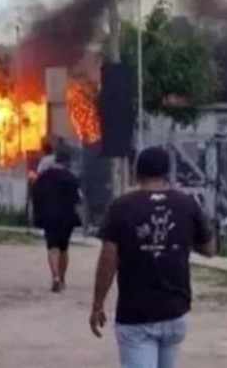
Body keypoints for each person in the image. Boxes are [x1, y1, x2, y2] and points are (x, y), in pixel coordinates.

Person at [90, 146, 215, 368]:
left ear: (137, 172)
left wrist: (98, 304)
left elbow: (108, 259)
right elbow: (209, 249)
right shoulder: (187, 204)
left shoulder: (122, 207)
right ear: (167, 172)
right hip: (175, 310)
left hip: (136, 314)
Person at [32, 149, 81, 292]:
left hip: (49, 217)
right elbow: (77, 200)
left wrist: (38, 213)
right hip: (67, 218)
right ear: (67, 162)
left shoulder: (43, 177)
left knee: (52, 247)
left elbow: (35, 195)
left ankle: (55, 277)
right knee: (64, 249)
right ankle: (62, 278)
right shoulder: (71, 178)